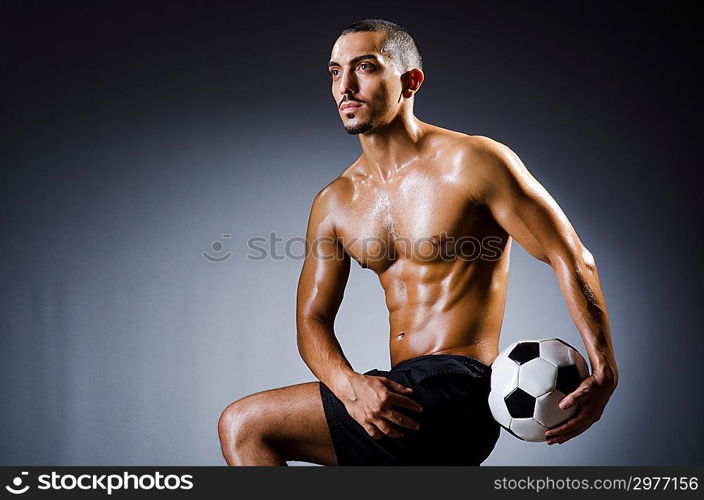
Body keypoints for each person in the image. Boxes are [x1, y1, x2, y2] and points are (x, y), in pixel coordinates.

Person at [218, 18, 618, 466]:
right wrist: (351, 388)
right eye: (335, 71)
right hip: (402, 395)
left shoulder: (472, 161)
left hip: (457, 386)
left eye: (364, 67)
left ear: (410, 81)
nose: (345, 86)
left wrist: (605, 371)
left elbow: (572, 257)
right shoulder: (334, 202)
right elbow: (311, 321)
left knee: (245, 425)